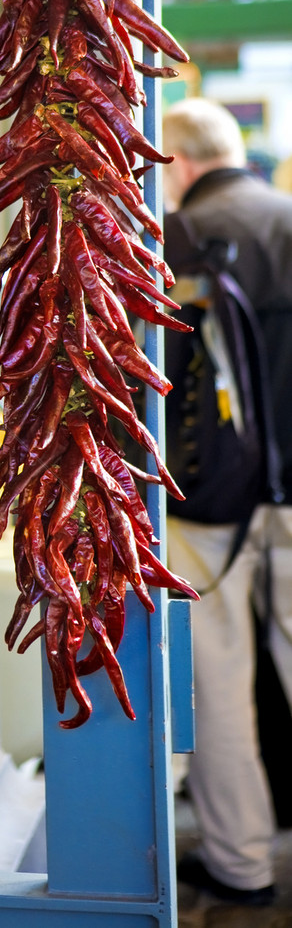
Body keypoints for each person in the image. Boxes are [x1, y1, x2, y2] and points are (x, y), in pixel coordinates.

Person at [163, 96, 292, 908]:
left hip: (212, 501)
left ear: (175, 163)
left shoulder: (179, 237)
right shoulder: (287, 216)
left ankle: (240, 866)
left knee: (219, 680)